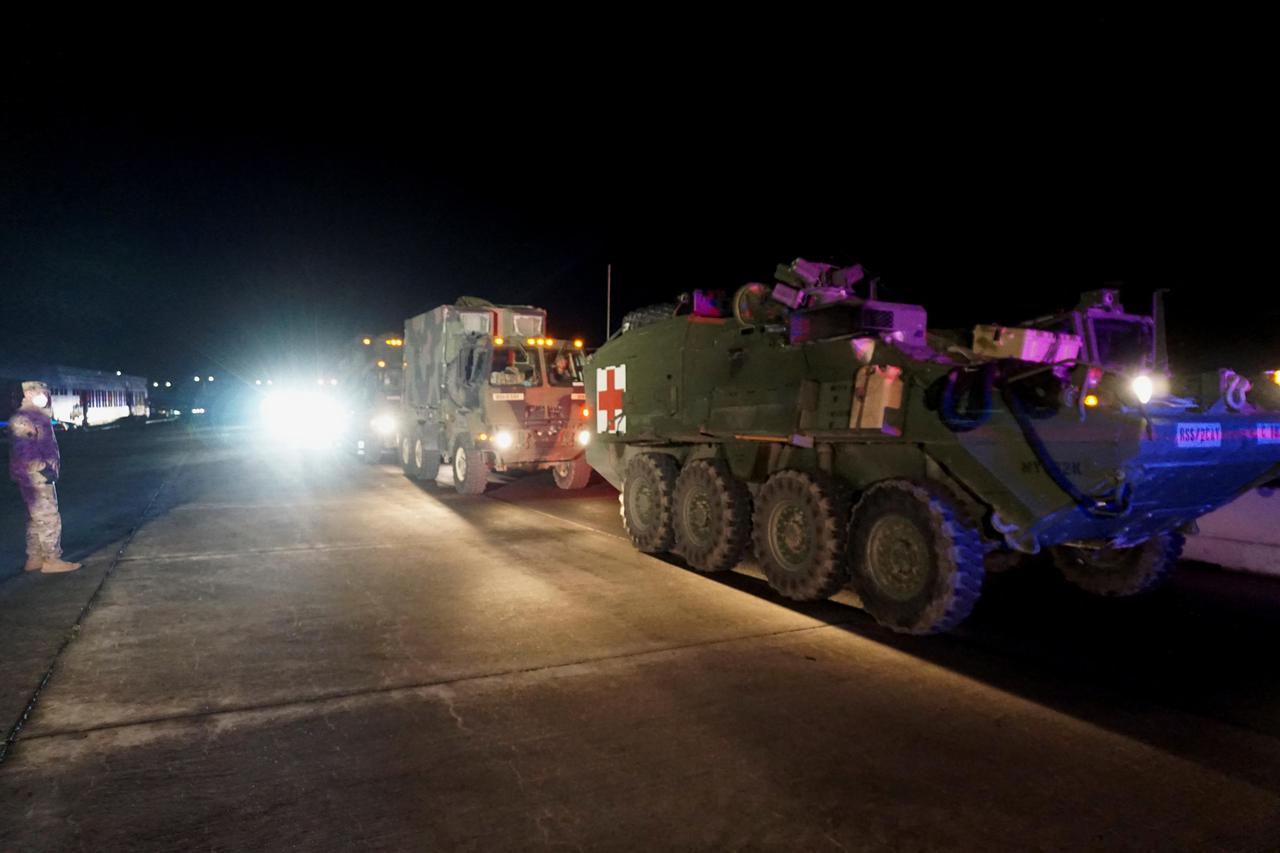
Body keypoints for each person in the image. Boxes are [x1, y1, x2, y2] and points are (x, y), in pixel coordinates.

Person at [8, 381, 80, 573]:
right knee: (48, 517)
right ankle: (52, 560)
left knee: (34, 518)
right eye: (38, 391)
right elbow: (25, 450)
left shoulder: (35, 416)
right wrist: (42, 468)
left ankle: (35, 558)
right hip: (37, 476)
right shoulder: (25, 418)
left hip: (31, 475)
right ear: (28, 394)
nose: (44, 395)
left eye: (45, 391)